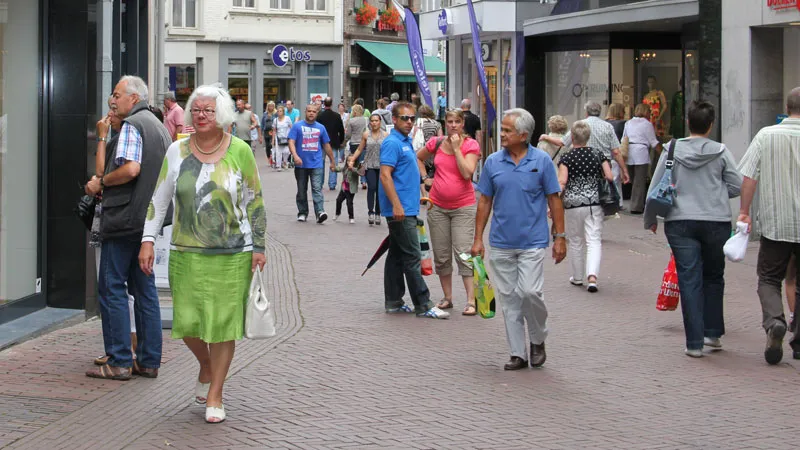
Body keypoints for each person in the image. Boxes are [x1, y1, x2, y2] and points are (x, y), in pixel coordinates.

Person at [139, 84, 266, 424]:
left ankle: (216, 393)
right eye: (196, 109)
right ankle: (206, 364)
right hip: (187, 253)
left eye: (209, 110)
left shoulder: (240, 151)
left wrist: (259, 246)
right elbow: (159, 199)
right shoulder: (177, 152)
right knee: (188, 322)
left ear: (221, 115)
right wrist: (148, 239)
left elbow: (254, 200)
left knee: (224, 326)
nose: (201, 115)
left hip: (232, 255)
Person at [83, 75, 170, 381]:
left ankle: (120, 359)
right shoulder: (159, 126)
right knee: (144, 290)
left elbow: (131, 169)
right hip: (146, 220)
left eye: (117, 95)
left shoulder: (134, 125)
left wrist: (102, 181)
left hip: (124, 219)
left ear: (134, 98)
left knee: (111, 287)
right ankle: (148, 360)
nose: (112, 100)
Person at [645, 101, 743, 358]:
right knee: (713, 276)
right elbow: (736, 184)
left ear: (688, 123)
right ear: (711, 125)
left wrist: (650, 218)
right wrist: (719, 195)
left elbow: (656, 185)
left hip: (680, 220)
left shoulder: (672, 148)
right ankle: (713, 333)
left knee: (689, 278)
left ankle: (694, 343)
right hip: (716, 221)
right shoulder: (721, 151)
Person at [472, 108, 566, 370]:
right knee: (510, 298)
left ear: (523, 135)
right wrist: (478, 238)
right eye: (501, 129)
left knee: (529, 292)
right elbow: (485, 201)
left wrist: (560, 236)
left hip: (532, 241)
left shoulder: (542, 161)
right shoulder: (492, 162)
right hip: (501, 242)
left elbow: (554, 199)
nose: (501, 134)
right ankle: (518, 353)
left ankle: (538, 338)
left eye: (507, 130)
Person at [737, 87, 800, 364]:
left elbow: (749, 176)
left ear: (787, 107)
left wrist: (744, 211)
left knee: (770, 278)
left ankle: (775, 321)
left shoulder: (766, 135)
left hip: (777, 222)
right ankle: (798, 343)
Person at [378, 101, 450, 319]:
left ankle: (394, 301)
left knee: (397, 256)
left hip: (407, 206)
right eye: (404, 118)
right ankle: (423, 304)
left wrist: (418, 194)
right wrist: (397, 205)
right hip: (400, 210)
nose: (409, 122)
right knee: (412, 255)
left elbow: (404, 175)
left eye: (412, 118)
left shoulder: (406, 142)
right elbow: (385, 175)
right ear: (395, 119)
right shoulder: (392, 143)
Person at [416, 109, 481, 315]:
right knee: (442, 255)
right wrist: (425, 178)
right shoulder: (435, 143)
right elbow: (418, 158)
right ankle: (447, 297)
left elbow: (466, 172)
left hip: (463, 206)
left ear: (463, 124)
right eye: (450, 121)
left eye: (457, 122)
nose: (453, 125)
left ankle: (471, 299)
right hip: (437, 206)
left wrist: (456, 148)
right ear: (445, 123)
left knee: (463, 252)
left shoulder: (471, 145)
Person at [90, 99, 137, 367]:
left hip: (115, 217)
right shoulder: (120, 138)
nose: (109, 112)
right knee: (122, 287)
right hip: (119, 218)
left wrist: (100, 137)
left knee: (113, 286)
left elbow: (99, 175)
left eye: (114, 106)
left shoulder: (122, 139)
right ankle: (124, 347)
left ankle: (122, 350)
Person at [558, 120, 614, 293]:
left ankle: (577, 277)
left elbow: (562, 182)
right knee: (594, 239)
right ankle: (592, 277)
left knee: (575, 240)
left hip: (573, 204)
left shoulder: (566, 157)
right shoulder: (598, 154)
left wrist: (555, 203)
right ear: (587, 137)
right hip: (594, 202)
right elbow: (610, 176)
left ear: (572, 137)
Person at [539, 101, 631, 187]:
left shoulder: (580, 125)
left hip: (585, 164)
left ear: (586, 112)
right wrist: (625, 170)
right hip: (605, 166)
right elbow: (616, 152)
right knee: (606, 191)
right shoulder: (608, 126)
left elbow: (562, 142)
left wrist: (545, 137)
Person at [288, 104, 336, 223]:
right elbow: (291, 142)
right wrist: (295, 155)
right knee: (301, 189)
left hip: (316, 163)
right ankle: (303, 212)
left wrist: (332, 161)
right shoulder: (297, 126)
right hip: (301, 164)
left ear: (317, 113)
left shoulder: (321, 128)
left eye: (314, 111)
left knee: (317, 188)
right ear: (305, 112)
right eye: (309, 111)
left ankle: (320, 212)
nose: (311, 113)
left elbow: (326, 145)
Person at [349, 114, 387, 225]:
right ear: (369, 122)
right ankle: (371, 212)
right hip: (369, 164)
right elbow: (360, 149)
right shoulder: (366, 134)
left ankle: (378, 214)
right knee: (372, 187)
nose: (374, 123)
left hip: (382, 165)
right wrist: (352, 159)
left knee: (380, 190)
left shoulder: (386, 135)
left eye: (376, 121)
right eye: (372, 121)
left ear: (380, 122)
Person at [623, 104, 661, 214]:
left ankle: (635, 203)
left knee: (633, 180)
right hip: (641, 153)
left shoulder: (628, 123)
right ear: (646, 112)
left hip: (629, 151)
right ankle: (636, 206)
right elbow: (653, 141)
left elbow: (623, 139)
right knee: (639, 181)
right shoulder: (647, 124)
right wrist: (664, 152)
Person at [317, 97, 346, 191]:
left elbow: (317, 130)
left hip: (322, 142)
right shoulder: (337, 116)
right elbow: (341, 130)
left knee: (320, 163)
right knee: (334, 161)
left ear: (323, 104)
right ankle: (332, 184)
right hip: (333, 141)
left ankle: (319, 183)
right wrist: (341, 141)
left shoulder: (320, 116)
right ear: (332, 104)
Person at [605, 103, 626, 208]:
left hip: (606, 155)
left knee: (612, 179)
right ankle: (617, 202)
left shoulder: (604, 123)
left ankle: (618, 202)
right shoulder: (622, 124)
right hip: (616, 154)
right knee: (616, 180)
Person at [272, 105, 293, 172]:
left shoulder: (287, 118)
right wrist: (273, 140)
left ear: (283, 112)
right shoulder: (275, 120)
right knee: (278, 152)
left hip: (286, 137)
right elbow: (274, 130)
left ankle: (285, 161)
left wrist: (292, 136)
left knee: (286, 151)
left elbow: (291, 127)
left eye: (280, 111)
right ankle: (278, 166)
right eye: (278, 111)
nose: (279, 112)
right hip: (278, 138)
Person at [262, 101, 277, 167]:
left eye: (272, 106)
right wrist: (261, 132)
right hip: (266, 132)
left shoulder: (276, 114)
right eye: (269, 106)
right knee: (267, 146)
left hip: (273, 131)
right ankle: (268, 158)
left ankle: (272, 159)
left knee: (272, 145)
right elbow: (262, 123)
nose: (271, 107)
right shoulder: (265, 114)